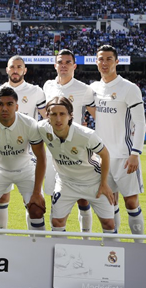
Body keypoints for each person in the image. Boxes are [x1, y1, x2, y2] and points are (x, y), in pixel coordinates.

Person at [0, 55, 47, 229]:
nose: (15, 70)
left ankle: (35, 245)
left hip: (27, 156)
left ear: (25, 70)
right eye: (12, 67)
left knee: (35, 206)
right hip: (0, 158)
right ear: (7, 69)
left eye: (19, 67)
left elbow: (47, 117)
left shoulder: (36, 91)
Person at [89, 45, 146, 239]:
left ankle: (138, 245)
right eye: (100, 59)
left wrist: (135, 154)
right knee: (109, 202)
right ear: (96, 62)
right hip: (102, 157)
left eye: (108, 59)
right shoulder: (94, 88)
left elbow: (140, 123)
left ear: (116, 62)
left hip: (124, 155)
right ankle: (114, 246)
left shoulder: (129, 88)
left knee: (131, 202)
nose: (104, 63)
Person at [37, 97, 115, 234]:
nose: (58, 119)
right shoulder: (42, 128)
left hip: (93, 182)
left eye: (62, 114)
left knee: (109, 224)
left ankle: (110, 255)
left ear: (70, 116)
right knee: (57, 222)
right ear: (47, 116)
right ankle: (60, 254)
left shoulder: (86, 135)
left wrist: (104, 183)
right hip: (65, 183)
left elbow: (105, 155)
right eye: (53, 114)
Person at [43, 49, 96, 233]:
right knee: (53, 193)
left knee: (83, 197)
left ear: (74, 66)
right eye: (60, 62)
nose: (63, 65)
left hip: (77, 148)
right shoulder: (48, 86)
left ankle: (86, 240)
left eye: (67, 62)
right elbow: (45, 114)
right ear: (55, 65)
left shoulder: (84, 89)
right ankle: (56, 238)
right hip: (52, 148)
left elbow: (96, 115)